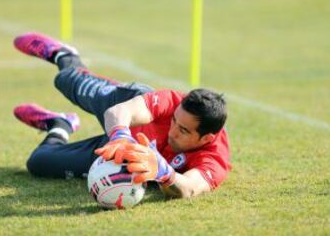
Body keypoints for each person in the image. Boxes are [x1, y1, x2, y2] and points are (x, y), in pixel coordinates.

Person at [13, 32, 231, 199]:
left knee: (38, 162)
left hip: (124, 157)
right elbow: (118, 112)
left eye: (183, 130)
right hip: (123, 117)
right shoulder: (171, 101)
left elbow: (189, 189)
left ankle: (59, 124)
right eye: (174, 120)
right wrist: (120, 136)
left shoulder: (215, 158)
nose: (173, 130)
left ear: (206, 138)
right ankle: (65, 55)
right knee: (66, 80)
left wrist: (166, 173)